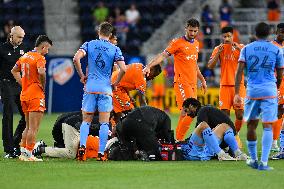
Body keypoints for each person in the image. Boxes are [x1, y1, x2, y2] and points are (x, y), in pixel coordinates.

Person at [143, 18, 207, 142]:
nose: (192, 33)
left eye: (195, 31)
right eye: (190, 30)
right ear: (186, 28)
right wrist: (149, 66)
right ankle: (178, 139)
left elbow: (194, 64)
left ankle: (177, 141)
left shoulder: (196, 44)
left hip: (193, 83)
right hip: (182, 83)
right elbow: (162, 55)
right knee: (191, 112)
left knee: (185, 113)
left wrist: (202, 80)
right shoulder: (177, 43)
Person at [73, 22, 126, 161]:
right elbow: (124, 69)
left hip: (90, 88)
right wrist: (115, 83)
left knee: (86, 121)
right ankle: (101, 153)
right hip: (105, 89)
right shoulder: (115, 49)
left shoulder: (89, 44)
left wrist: (82, 76)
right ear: (110, 34)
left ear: (99, 31)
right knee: (104, 123)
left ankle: (82, 149)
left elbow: (76, 58)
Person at [234, 22, 284, 170]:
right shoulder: (276, 50)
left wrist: (237, 92)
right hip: (270, 90)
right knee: (268, 126)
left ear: (255, 34)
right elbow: (280, 74)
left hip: (253, 91)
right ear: (270, 34)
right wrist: (274, 86)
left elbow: (239, 72)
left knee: (251, 126)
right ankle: (264, 162)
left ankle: (254, 159)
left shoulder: (247, 49)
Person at [11, 35, 53, 161]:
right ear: (43, 46)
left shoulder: (25, 56)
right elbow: (41, 72)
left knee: (28, 127)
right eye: (48, 49)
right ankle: (29, 154)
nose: (47, 52)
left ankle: (23, 153)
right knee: (33, 128)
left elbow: (14, 71)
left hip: (24, 95)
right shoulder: (40, 58)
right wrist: (42, 85)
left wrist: (23, 83)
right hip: (35, 95)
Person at [207, 26, 245, 148]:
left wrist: (238, 48)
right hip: (224, 86)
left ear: (233, 36)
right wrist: (218, 53)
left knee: (240, 114)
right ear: (221, 37)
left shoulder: (241, 48)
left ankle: (235, 134)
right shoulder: (218, 49)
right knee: (225, 116)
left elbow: (249, 63)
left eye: (229, 36)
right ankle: (228, 140)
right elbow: (210, 66)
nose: (227, 38)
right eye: (224, 36)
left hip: (238, 86)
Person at [180, 98, 248, 161]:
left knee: (204, 125)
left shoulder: (202, 112)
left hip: (203, 148)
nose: (187, 114)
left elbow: (202, 127)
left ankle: (222, 154)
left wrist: (185, 141)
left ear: (191, 106)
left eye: (186, 110)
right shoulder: (207, 109)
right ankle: (238, 153)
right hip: (229, 139)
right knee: (224, 126)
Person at [33, 112, 112, 159]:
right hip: (71, 125)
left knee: (74, 148)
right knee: (71, 153)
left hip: (64, 123)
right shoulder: (107, 123)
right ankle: (41, 149)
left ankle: (55, 147)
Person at [0, 26, 27, 158]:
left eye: (22, 37)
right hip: (6, 84)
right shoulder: (2, 49)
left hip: (20, 84)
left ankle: (15, 142)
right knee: (8, 115)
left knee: (27, 115)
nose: (21, 40)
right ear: (11, 36)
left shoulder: (24, 49)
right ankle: (9, 150)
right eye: (19, 37)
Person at [271, 23, 284, 152]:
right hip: (276, 82)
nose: (282, 35)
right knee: (279, 111)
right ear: (276, 32)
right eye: (281, 32)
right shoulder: (271, 46)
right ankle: (274, 142)